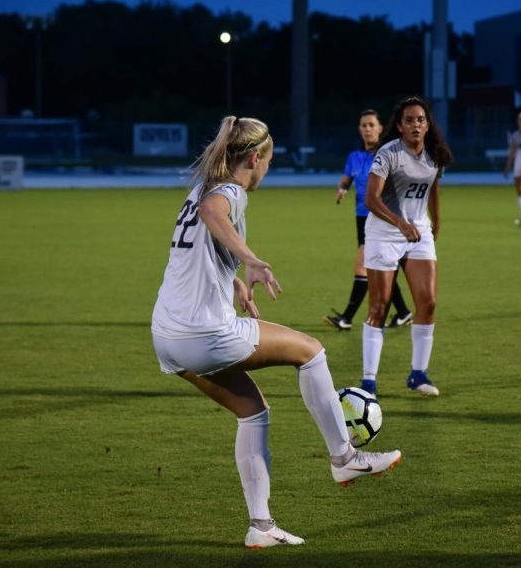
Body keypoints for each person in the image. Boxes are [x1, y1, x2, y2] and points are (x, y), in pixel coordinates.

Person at [150, 116, 402, 549]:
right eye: (269, 159)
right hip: (205, 334)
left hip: (167, 336)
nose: (268, 168)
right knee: (311, 351)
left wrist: (233, 282)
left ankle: (260, 526)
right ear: (255, 158)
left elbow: (197, 251)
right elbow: (215, 215)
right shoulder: (228, 191)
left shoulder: (200, 190)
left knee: (253, 411)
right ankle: (345, 458)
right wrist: (251, 259)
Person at [359, 97, 452, 397]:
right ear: (399, 125)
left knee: (428, 302)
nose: (415, 125)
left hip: (418, 232)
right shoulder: (388, 154)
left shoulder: (434, 154)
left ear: (427, 125)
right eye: (409, 120)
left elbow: (433, 187)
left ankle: (418, 374)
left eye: (420, 120)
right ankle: (369, 382)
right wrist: (401, 224)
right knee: (379, 306)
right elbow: (371, 199)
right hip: (384, 234)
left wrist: (435, 222)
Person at [325, 109, 413, 331]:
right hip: (361, 218)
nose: (367, 129)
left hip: (381, 217)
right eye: (363, 125)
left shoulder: (387, 154)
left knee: (363, 265)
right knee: (379, 268)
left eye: (371, 125)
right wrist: (342, 189)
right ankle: (403, 313)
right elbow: (347, 178)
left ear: (380, 128)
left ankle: (346, 318)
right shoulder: (354, 157)